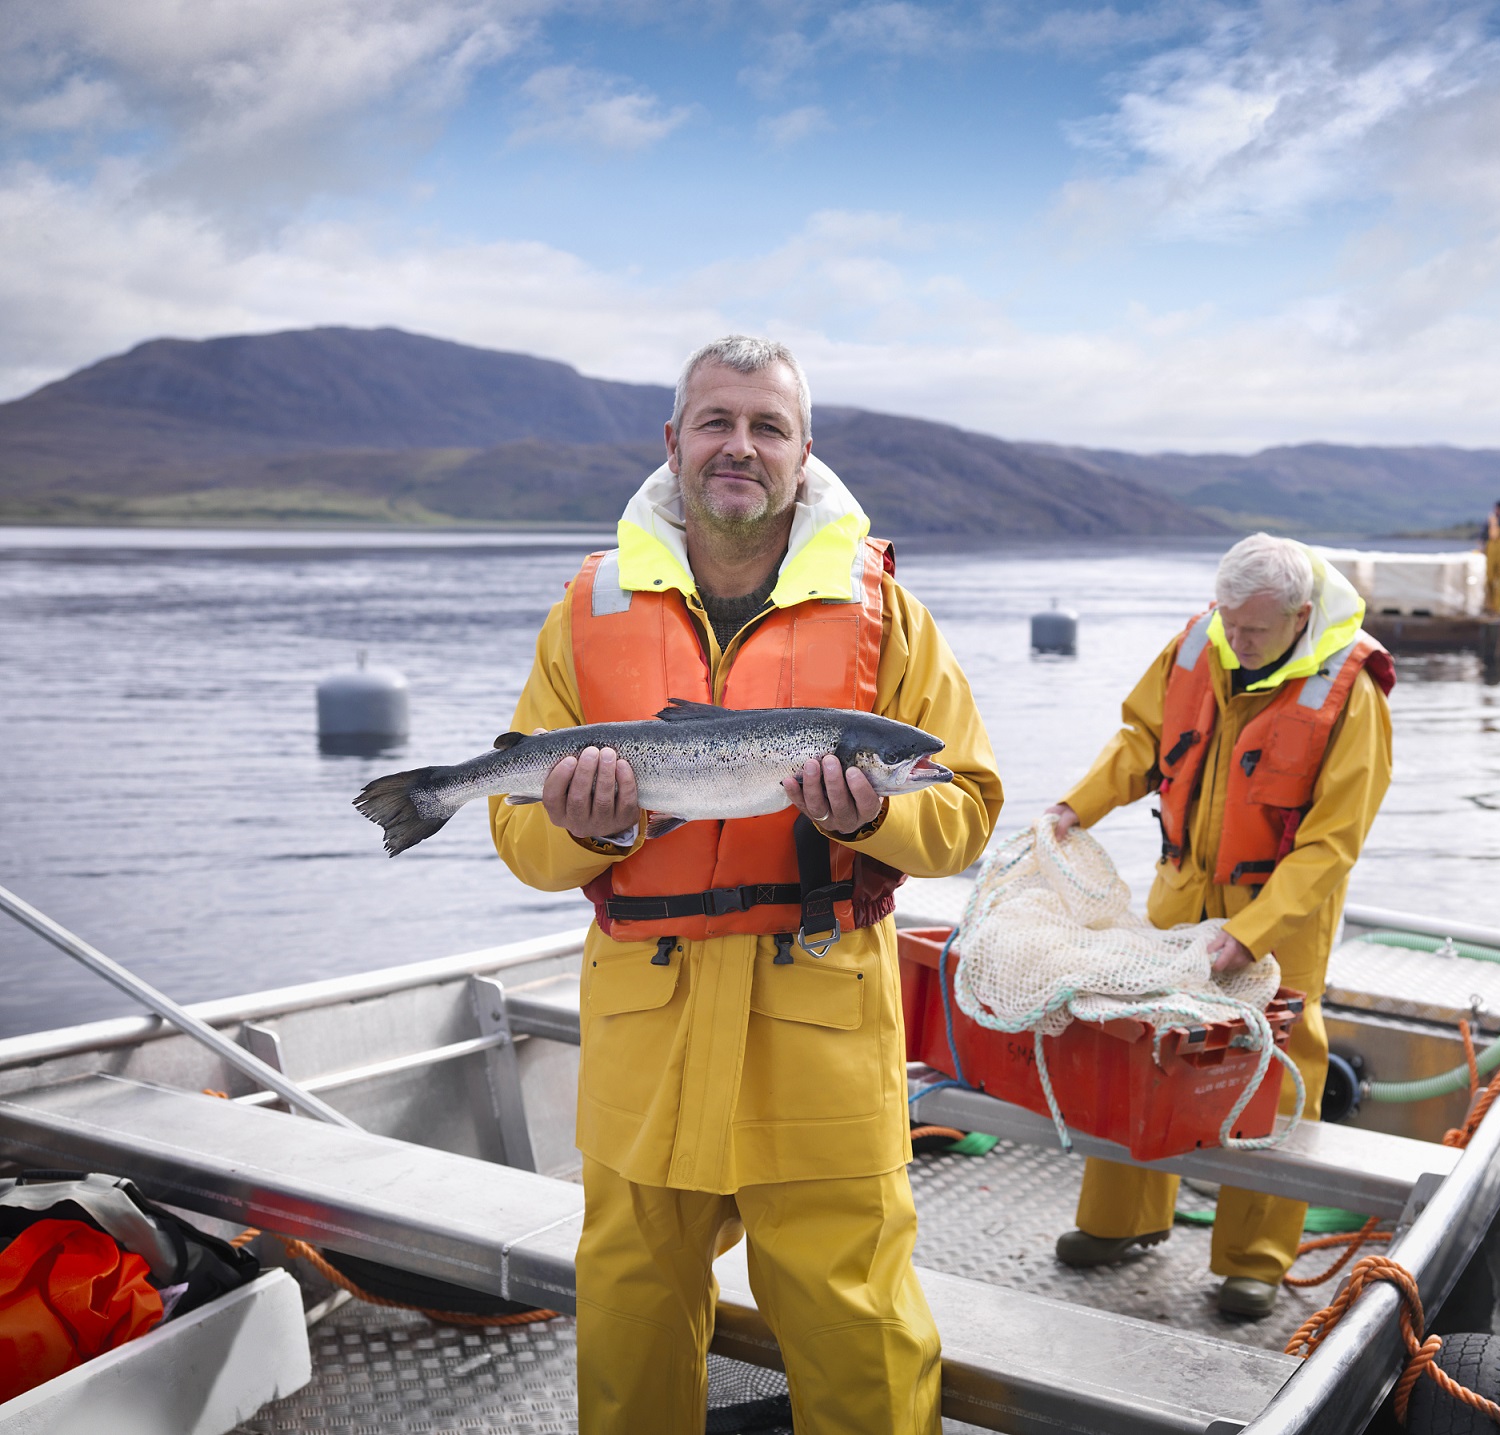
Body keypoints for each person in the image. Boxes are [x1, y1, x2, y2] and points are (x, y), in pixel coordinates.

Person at [492, 335, 1003, 1434]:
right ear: (673, 443)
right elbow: (524, 843)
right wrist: (591, 829)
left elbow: (963, 812)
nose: (740, 445)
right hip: (646, 1032)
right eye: (717, 422)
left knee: (856, 1330)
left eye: (766, 426)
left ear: (802, 453)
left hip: (819, 1026)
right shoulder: (584, 608)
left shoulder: (890, 615)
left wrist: (879, 815)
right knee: (628, 1324)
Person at [1043, 533, 1393, 1319]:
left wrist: (1253, 930)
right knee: (1140, 1039)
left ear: (1301, 617)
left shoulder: (1352, 693)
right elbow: (1142, 740)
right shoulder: (1201, 640)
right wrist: (1076, 806)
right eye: (1229, 623)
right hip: (1179, 890)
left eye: (1255, 631)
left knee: (1267, 1067)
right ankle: (1121, 1220)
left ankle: (1254, 1261)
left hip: (1282, 915)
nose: (1235, 642)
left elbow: (1332, 843)